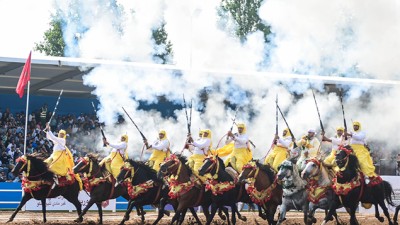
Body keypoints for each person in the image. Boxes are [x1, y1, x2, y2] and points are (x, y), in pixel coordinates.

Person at [44, 122, 81, 189]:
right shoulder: (57, 141)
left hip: (59, 156)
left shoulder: (62, 140)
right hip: (54, 155)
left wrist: (49, 130)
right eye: (60, 134)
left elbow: (53, 137)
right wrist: (48, 129)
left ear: (64, 135)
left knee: (54, 166)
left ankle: (56, 179)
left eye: (62, 134)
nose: (61, 135)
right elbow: (49, 137)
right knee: (46, 164)